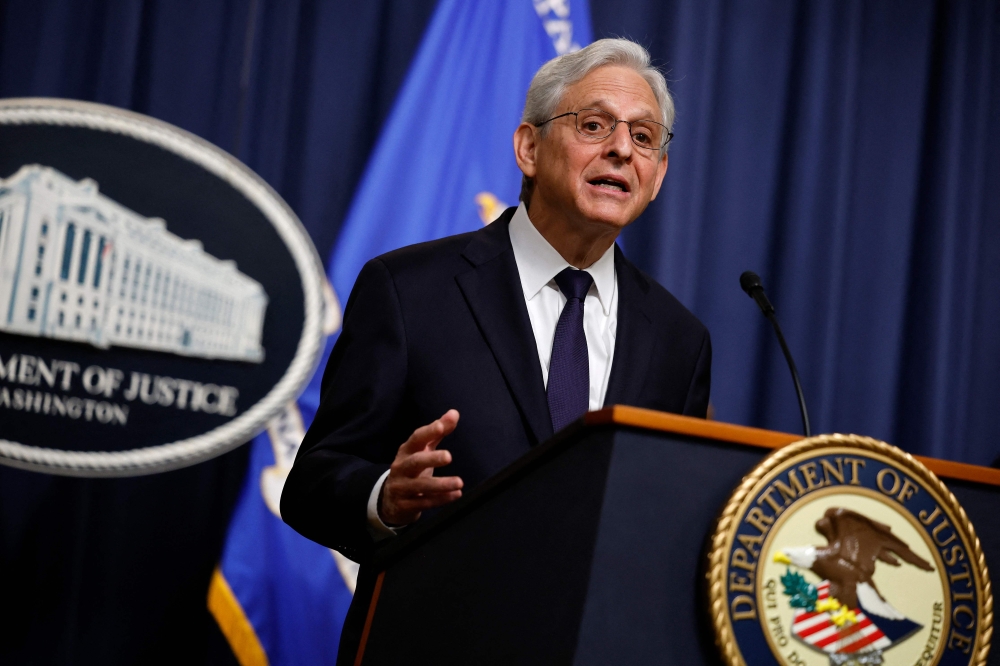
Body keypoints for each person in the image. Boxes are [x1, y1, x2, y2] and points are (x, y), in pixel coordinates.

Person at [281, 37, 711, 662]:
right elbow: (313, 483)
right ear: (529, 148)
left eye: (645, 138)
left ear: (659, 176)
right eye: (594, 125)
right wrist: (384, 498)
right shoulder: (408, 290)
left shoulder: (679, 340)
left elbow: (673, 526)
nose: (622, 149)